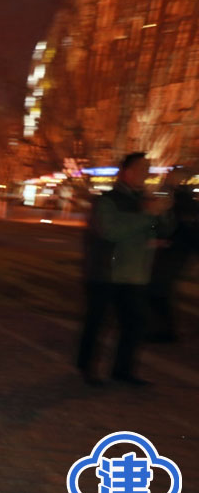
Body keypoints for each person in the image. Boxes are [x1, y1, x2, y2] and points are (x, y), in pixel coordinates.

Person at [77, 152, 174, 386]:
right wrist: (147, 215)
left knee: (135, 324)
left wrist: (165, 214)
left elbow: (165, 230)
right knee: (98, 323)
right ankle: (87, 367)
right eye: (142, 169)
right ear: (127, 172)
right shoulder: (108, 200)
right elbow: (111, 230)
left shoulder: (147, 200)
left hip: (135, 274)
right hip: (106, 272)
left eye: (148, 169)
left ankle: (123, 370)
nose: (145, 174)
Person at [147, 166, 199, 342]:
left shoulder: (181, 198)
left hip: (176, 249)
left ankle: (165, 331)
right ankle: (164, 329)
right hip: (174, 249)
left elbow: (183, 226)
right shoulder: (178, 196)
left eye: (172, 176)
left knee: (158, 288)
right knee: (159, 289)